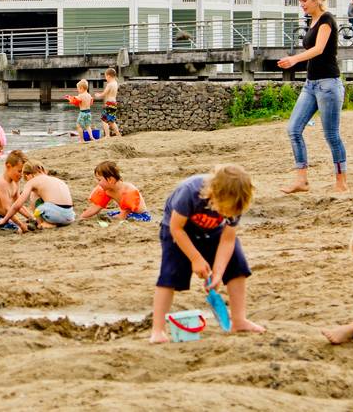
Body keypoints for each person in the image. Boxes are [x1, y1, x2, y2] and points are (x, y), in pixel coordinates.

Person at [149, 165, 264, 343]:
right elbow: (176, 228)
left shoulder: (237, 201)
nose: (228, 213)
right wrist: (195, 259)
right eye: (224, 209)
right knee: (169, 274)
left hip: (212, 231)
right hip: (178, 231)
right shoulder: (189, 192)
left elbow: (228, 240)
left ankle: (239, 321)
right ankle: (158, 330)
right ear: (214, 193)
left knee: (237, 265)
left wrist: (218, 272)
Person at [278, 0, 348, 193]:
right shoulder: (312, 21)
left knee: (331, 135)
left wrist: (294, 59)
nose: (302, 5)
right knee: (294, 129)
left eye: (304, 1)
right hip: (311, 85)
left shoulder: (327, 20)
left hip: (328, 85)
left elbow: (318, 49)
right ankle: (302, 180)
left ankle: (341, 182)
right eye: (300, 1)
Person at [0, 161, 75, 229]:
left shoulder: (32, 182)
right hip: (70, 216)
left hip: (55, 215)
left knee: (33, 194)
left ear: (28, 176)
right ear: (42, 170)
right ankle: (53, 222)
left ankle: (40, 223)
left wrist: (4, 220)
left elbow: (17, 205)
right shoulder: (57, 180)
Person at [80, 160, 151, 221]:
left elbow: (125, 213)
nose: (98, 183)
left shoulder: (128, 190)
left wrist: (116, 219)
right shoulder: (108, 190)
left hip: (141, 215)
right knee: (106, 215)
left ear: (110, 180)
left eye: (99, 180)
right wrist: (82, 217)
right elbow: (96, 207)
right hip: (125, 212)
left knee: (128, 219)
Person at [0, 151, 30, 232]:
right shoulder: (2, 183)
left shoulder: (16, 181)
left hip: (3, 217)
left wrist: (31, 218)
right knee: (19, 229)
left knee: (27, 225)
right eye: (19, 171)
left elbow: (18, 204)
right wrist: (20, 224)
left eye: (23, 172)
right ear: (8, 166)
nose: (22, 175)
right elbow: (7, 208)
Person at [95, 68, 122, 138]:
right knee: (111, 121)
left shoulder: (109, 84)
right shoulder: (115, 83)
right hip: (114, 103)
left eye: (106, 76)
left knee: (104, 120)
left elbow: (104, 93)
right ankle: (118, 135)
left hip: (109, 104)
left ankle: (107, 135)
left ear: (109, 76)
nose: (106, 78)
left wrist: (98, 95)